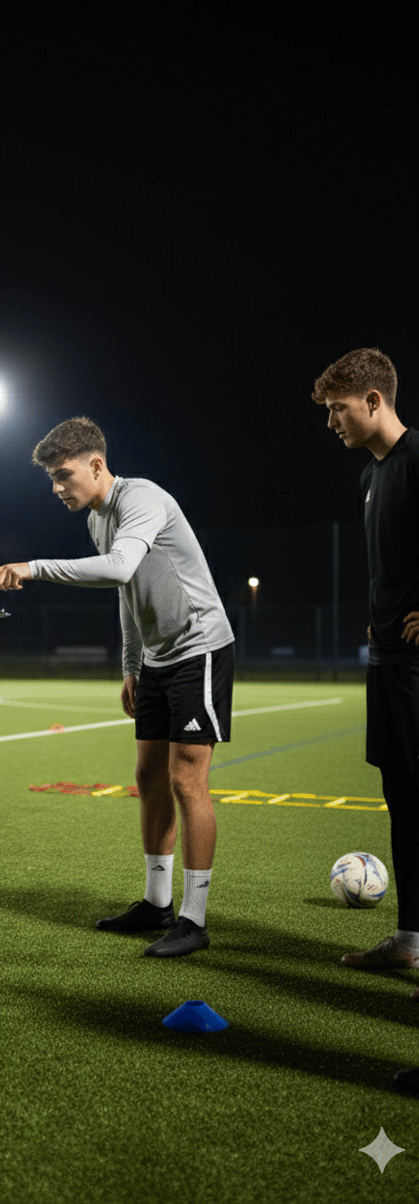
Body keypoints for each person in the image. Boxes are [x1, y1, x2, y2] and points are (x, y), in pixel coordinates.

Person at [0, 417, 234, 958]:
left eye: (63, 475)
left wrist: (33, 568)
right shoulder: (98, 518)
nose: (56, 488)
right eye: (51, 478)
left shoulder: (141, 497)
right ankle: (157, 903)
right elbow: (129, 596)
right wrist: (131, 665)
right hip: (158, 659)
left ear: (97, 465)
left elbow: (120, 570)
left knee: (188, 779)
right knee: (148, 775)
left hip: (199, 648)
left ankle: (194, 918)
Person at [313, 348, 419, 995]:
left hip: (418, 666)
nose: (332, 423)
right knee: (402, 800)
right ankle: (408, 940)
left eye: (338, 409)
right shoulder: (369, 477)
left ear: (374, 400)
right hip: (387, 661)